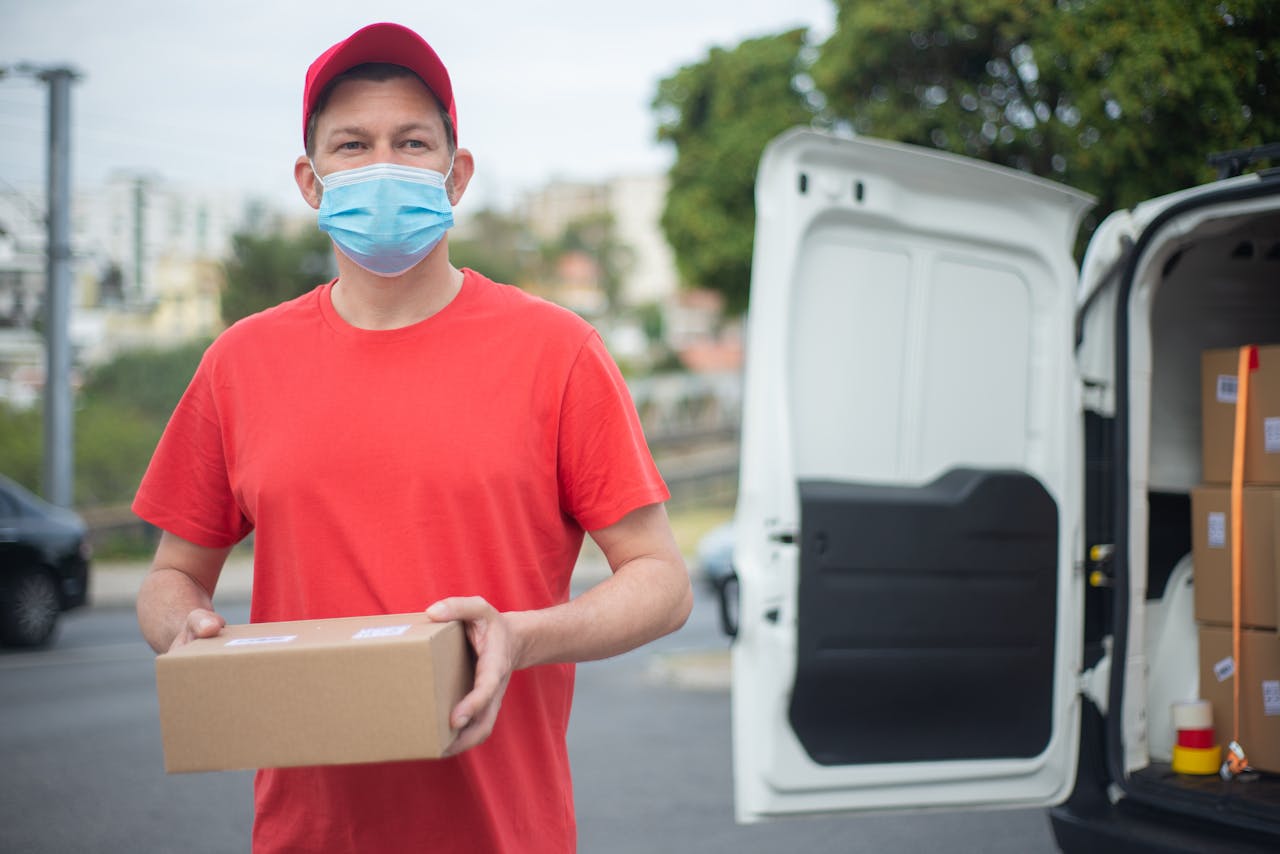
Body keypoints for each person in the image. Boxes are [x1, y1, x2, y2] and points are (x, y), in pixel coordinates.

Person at [133, 21, 693, 853]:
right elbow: (171, 577)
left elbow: (662, 581)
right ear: (311, 181)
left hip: (505, 831)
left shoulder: (557, 351)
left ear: (455, 173)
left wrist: (522, 634)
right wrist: (189, 632)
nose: (383, 166)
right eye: (352, 145)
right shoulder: (238, 363)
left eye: (412, 142)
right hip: (304, 835)